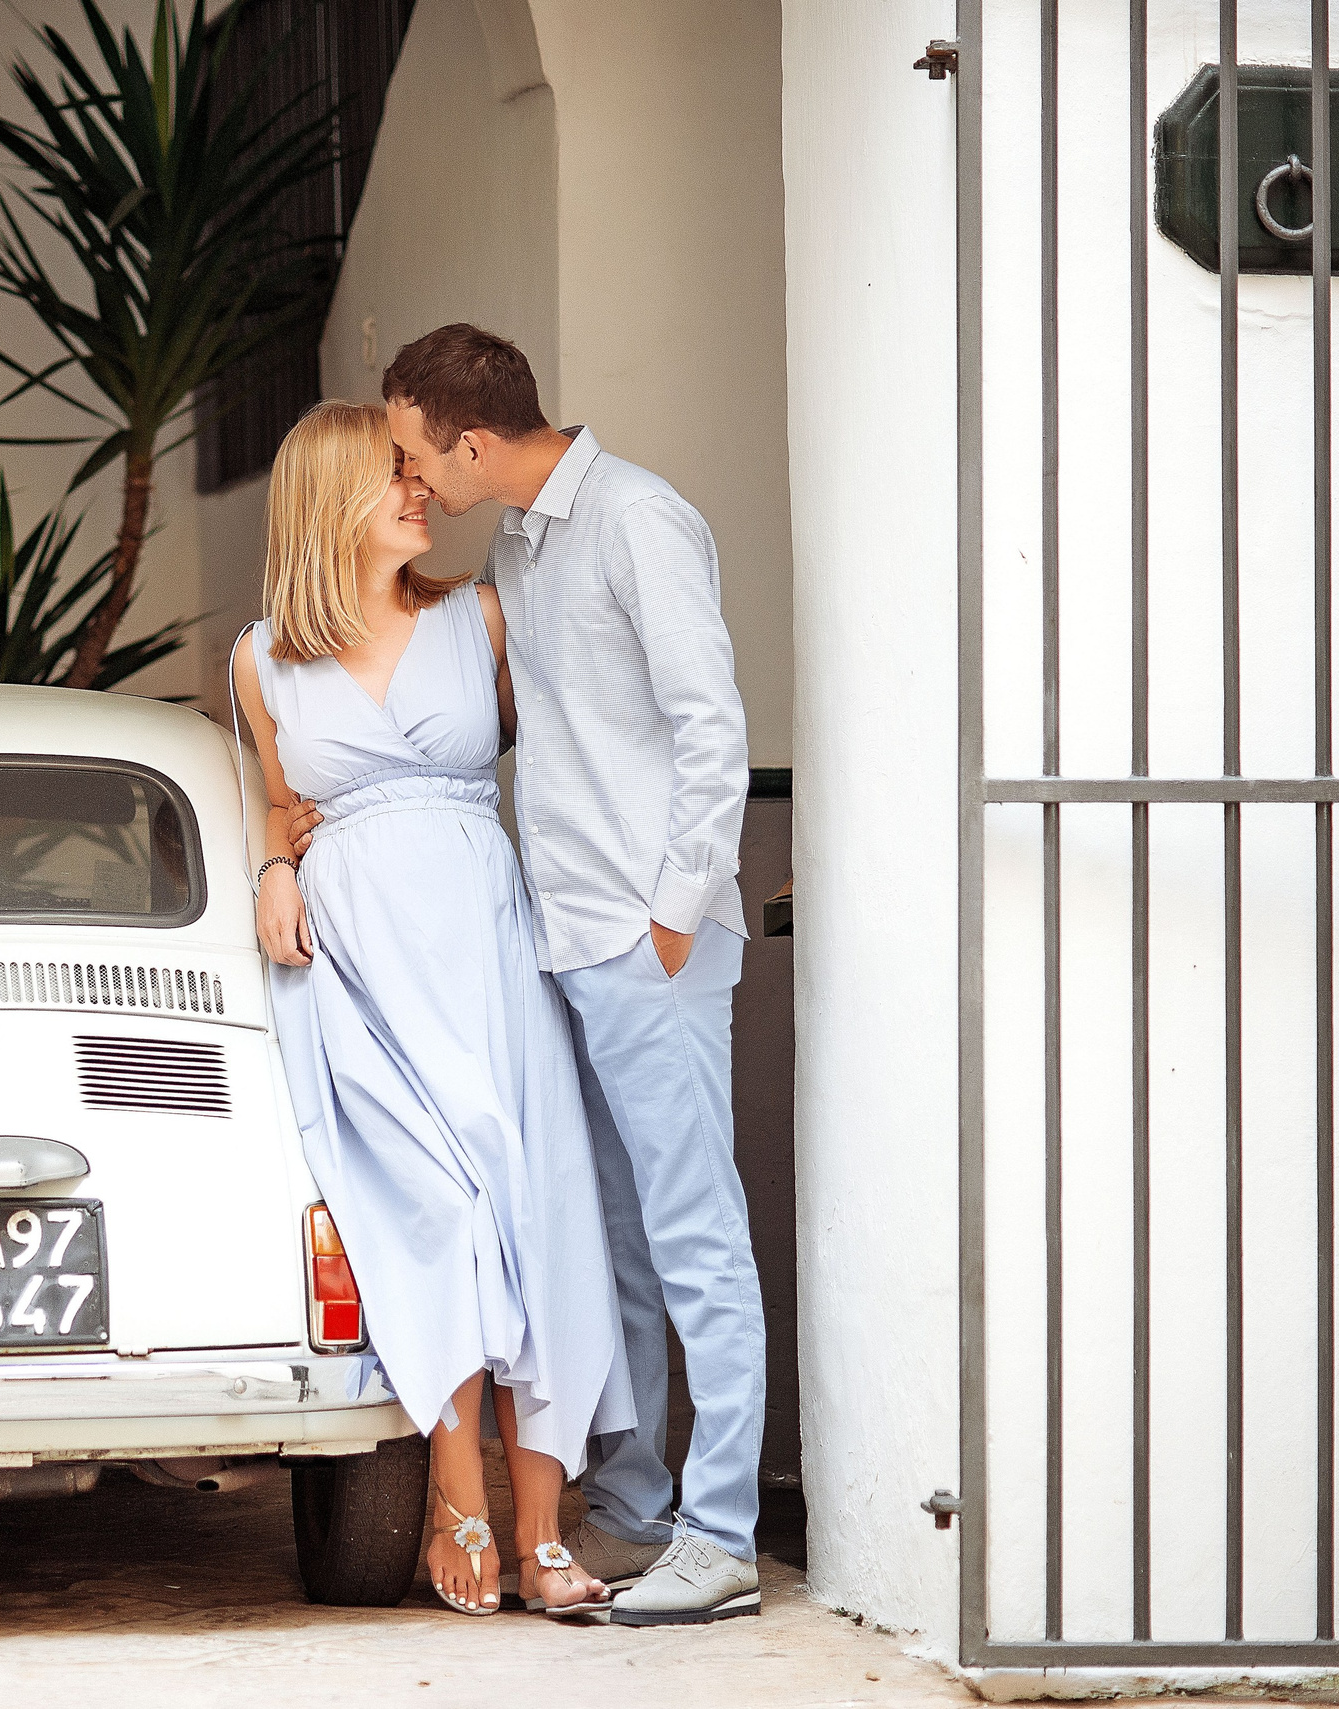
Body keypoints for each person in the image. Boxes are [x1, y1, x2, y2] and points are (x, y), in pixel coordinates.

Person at [348, 323, 763, 1626]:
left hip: (648, 941)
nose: (414, 481)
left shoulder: (641, 519)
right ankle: (636, 1511)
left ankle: (727, 1529)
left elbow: (712, 722)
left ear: (474, 441)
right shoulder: (521, 543)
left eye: (419, 455)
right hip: (561, 944)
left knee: (695, 1238)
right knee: (617, 1248)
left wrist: (680, 910)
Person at [233, 399, 634, 1618]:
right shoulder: (261, 658)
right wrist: (273, 868)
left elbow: (574, 752)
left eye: (418, 474)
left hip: (484, 944)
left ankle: (540, 1524)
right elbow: (274, 804)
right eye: (391, 478)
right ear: (323, 502)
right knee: (435, 1208)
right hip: (358, 966)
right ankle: (456, 1487)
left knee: (532, 1203)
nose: (421, 493)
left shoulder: (482, 615)